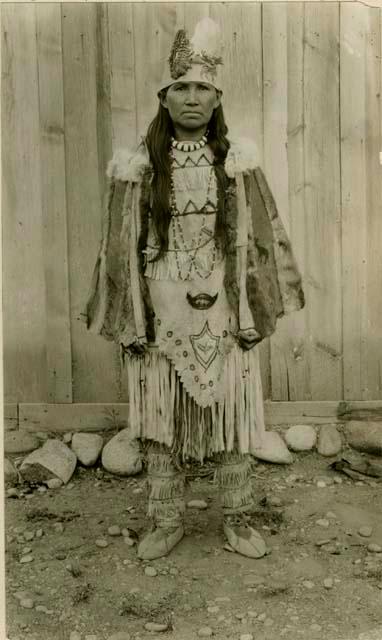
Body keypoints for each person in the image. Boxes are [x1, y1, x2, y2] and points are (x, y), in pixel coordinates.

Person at [83, 18, 304, 561]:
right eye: (180, 88)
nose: (191, 98)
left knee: (231, 416)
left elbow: (259, 241)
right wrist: (131, 317)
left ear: (217, 96)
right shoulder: (137, 166)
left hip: (223, 307)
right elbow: (119, 248)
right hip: (160, 308)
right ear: (165, 96)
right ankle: (164, 521)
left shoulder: (238, 162)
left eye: (202, 88)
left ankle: (238, 517)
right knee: (160, 418)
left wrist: (252, 310)